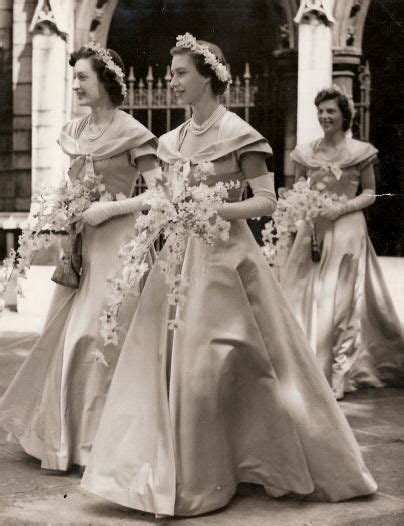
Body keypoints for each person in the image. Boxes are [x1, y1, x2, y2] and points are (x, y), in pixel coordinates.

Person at [80, 35, 376, 517]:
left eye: (179, 73)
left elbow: (267, 201)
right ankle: (171, 475)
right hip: (177, 261)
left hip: (227, 262)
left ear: (207, 77)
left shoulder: (239, 133)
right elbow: (164, 196)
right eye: (171, 73)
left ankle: (234, 466)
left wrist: (213, 205)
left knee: (218, 365)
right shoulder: (172, 139)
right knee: (172, 367)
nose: (172, 81)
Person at [0, 45, 160, 471]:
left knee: (98, 336)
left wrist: (112, 207)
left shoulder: (134, 133)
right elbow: (76, 185)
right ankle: (69, 440)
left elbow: (162, 193)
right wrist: (69, 208)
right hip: (82, 245)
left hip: (119, 246)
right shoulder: (74, 131)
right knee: (68, 338)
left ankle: (99, 443)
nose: (75, 85)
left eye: (82, 77)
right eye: (73, 78)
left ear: (106, 81)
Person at [281, 86, 404, 400]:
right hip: (313, 228)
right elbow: (296, 189)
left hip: (347, 228)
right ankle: (307, 368)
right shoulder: (305, 152)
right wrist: (302, 209)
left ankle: (339, 374)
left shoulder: (361, 152)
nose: (325, 117)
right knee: (303, 297)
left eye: (331, 111)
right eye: (321, 111)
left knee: (341, 303)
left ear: (344, 115)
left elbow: (370, 192)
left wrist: (341, 208)